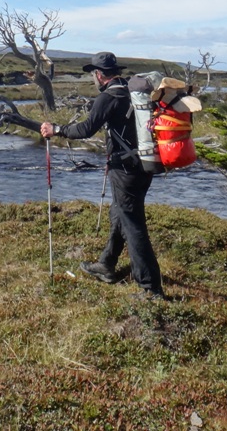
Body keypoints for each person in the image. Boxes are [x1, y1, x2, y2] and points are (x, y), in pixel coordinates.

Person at [40, 52, 166, 301]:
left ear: (99, 75)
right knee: (118, 213)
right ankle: (107, 265)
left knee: (133, 225)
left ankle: (151, 289)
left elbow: (86, 129)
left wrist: (56, 129)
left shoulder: (109, 97)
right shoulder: (133, 91)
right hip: (145, 164)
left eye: (93, 75)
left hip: (125, 169)